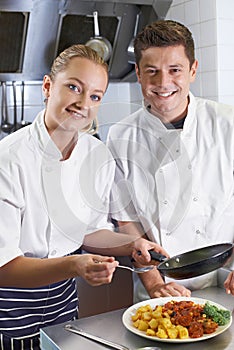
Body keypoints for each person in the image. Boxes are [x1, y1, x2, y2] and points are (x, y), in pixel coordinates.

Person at [0, 44, 168, 349]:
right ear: (48, 87)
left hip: (65, 304)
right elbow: (3, 266)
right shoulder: (8, 159)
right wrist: (75, 265)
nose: (82, 103)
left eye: (94, 96)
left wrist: (132, 244)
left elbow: (89, 230)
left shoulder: (96, 154)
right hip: (10, 307)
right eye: (73, 87)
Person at [107, 20, 234, 303]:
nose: (163, 83)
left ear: (193, 70)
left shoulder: (228, 124)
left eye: (175, 70)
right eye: (152, 71)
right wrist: (154, 284)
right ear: (138, 73)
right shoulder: (121, 136)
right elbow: (127, 220)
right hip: (160, 283)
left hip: (227, 278)